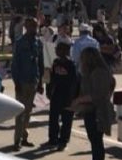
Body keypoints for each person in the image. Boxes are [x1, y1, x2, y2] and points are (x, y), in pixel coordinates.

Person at [72, 47, 115, 160]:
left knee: (97, 140)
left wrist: (79, 100)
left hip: (98, 111)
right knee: (94, 140)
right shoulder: (90, 73)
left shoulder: (99, 73)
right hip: (90, 110)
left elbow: (98, 94)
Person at [10, 18, 45, 149]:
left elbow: (40, 63)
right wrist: (16, 82)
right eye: (31, 27)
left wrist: (41, 82)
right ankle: (17, 141)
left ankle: (24, 137)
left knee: (28, 111)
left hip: (33, 80)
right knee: (20, 112)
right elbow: (15, 64)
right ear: (26, 27)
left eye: (35, 27)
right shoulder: (20, 43)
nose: (34, 29)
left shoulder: (38, 42)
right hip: (22, 81)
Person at [44, 42, 77, 150]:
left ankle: (63, 140)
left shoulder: (71, 65)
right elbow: (51, 79)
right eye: (57, 49)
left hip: (67, 95)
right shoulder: (55, 63)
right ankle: (53, 139)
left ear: (66, 51)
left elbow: (74, 82)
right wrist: (48, 90)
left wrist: (72, 97)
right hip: (56, 94)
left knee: (67, 119)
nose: (57, 51)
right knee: (53, 118)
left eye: (59, 49)